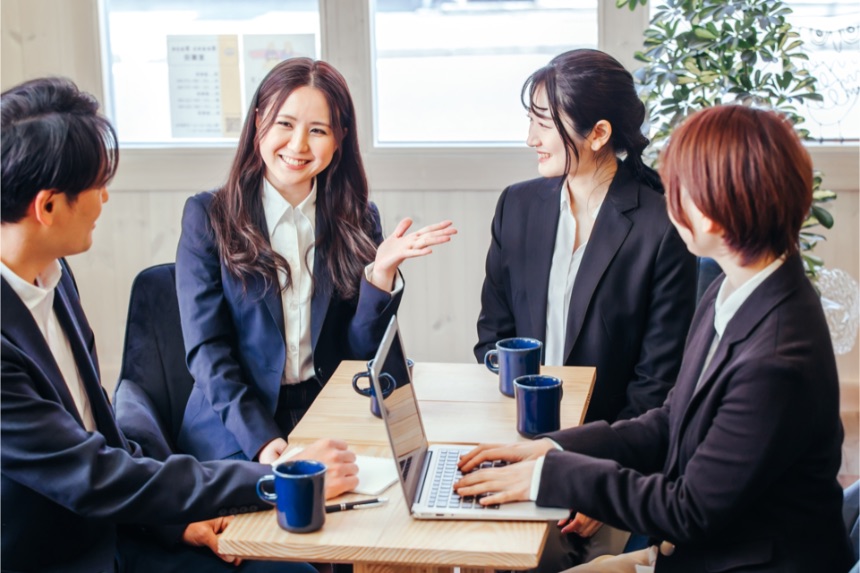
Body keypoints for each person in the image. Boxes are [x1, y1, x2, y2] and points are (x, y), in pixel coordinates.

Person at [455, 105, 854, 573]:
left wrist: (551, 477)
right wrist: (556, 448)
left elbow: (689, 510)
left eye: (680, 190)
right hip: (699, 552)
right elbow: (671, 420)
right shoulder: (736, 286)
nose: (667, 203)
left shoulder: (777, 356)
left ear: (718, 211)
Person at [0, 76, 359, 573]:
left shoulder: (54, 277)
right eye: (97, 186)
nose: (105, 200)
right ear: (48, 206)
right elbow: (90, 475)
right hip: (63, 555)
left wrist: (175, 521)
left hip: (127, 523)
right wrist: (275, 477)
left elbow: (100, 438)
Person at [474, 48, 697, 563]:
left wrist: (598, 480)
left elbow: (656, 387)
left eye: (543, 125)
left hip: (614, 460)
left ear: (597, 134)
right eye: (529, 121)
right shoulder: (517, 205)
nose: (530, 139)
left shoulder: (661, 226)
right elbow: (491, 336)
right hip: (520, 442)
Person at [176, 57, 456, 464]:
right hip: (235, 427)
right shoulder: (208, 216)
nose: (298, 145)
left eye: (318, 130)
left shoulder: (357, 217)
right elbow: (208, 352)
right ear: (258, 123)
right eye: (284, 124)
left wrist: (379, 276)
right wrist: (262, 441)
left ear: (339, 138)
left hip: (329, 413)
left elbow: (362, 353)